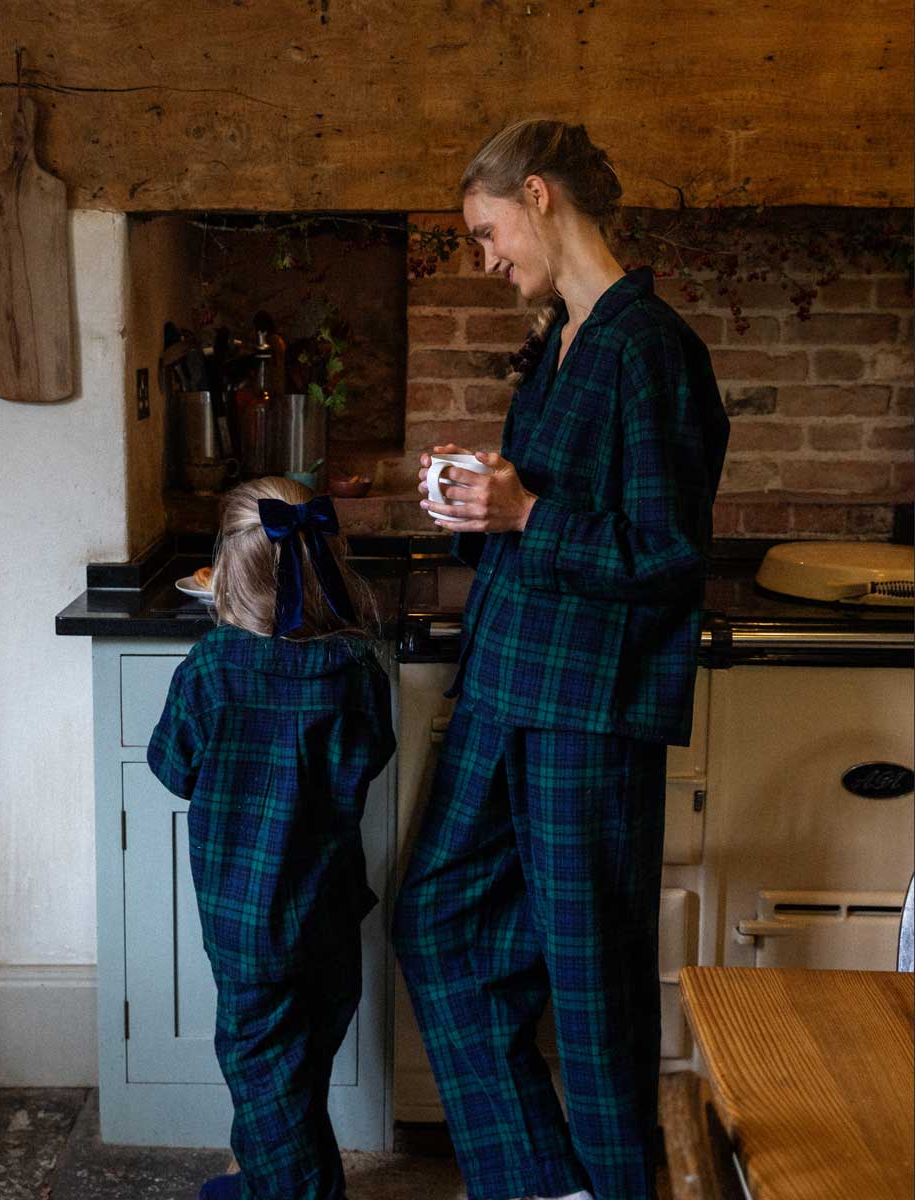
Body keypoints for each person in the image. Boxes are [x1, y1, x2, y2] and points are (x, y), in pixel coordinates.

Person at [392, 119, 730, 1200]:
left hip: (587, 709)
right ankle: (542, 1181)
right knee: (435, 922)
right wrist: (481, 497)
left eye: (487, 233)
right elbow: (545, 511)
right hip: (504, 685)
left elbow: (668, 552)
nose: (486, 260)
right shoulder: (562, 341)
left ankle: (612, 1186)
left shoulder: (652, 350)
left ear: (537, 196)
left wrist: (527, 505)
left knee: (589, 986)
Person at [147, 478, 396, 1200]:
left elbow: (171, 767)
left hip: (246, 925)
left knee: (262, 1073)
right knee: (298, 1069)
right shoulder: (354, 670)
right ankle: (262, 1180)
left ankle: (290, 1190)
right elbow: (370, 756)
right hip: (328, 913)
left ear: (227, 568)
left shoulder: (212, 671)